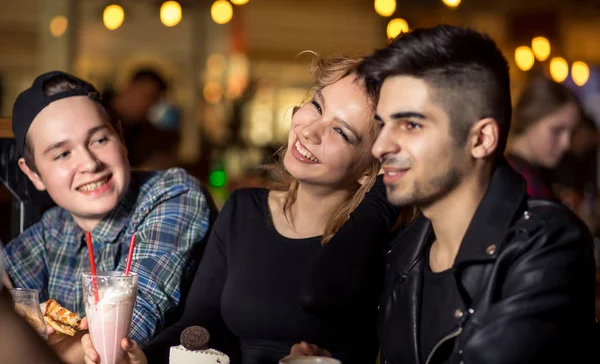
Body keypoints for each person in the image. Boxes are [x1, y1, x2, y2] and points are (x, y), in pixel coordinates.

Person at [291, 25, 597, 363]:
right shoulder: (407, 252)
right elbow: (320, 294)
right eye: (383, 124)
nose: (380, 146)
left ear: (480, 139)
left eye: (411, 125)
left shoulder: (547, 243)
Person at [83, 55, 409, 364]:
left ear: (372, 169)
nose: (310, 131)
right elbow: (199, 325)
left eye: (341, 131)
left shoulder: (382, 242)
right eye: (317, 105)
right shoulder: (243, 210)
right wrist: (144, 357)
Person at [2, 71, 216, 363]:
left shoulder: (172, 193)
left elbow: (124, 336)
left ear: (121, 137)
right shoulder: (47, 232)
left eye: (99, 140)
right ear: (33, 173)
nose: (89, 163)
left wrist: (48, 345)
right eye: (62, 154)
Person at [507, 75, 582, 198]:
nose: (566, 143)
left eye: (572, 132)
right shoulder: (517, 185)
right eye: (556, 131)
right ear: (529, 120)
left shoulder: (529, 176)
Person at [109, 68, 180, 170]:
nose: (149, 105)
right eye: (147, 96)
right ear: (130, 87)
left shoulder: (143, 130)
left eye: (153, 100)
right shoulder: (99, 112)